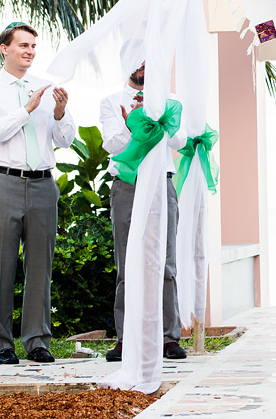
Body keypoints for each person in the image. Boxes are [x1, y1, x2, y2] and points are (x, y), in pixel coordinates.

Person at [0, 23, 76, 364]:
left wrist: (59, 114)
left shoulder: (46, 89)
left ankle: (37, 341)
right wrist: (27, 110)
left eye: (33, 46)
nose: (30, 51)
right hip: (3, 182)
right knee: (0, 266)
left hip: (44, 183)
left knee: (40, 266)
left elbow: (65, 140)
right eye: (23, 45)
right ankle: (2, 343)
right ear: (5, 48)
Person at [100, 61, 188, 362]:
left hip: (161, 182)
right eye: (138, 61)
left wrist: (155, 115)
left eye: (149, 61)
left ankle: (168, 338)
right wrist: (133, 126)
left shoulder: (172, 102)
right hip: (127, 184)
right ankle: (126, 339)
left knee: (165, 262)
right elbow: (112, 144)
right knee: (127, 264)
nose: (144, 67)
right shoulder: (111, 102)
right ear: (127, 64)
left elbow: (179, 140)